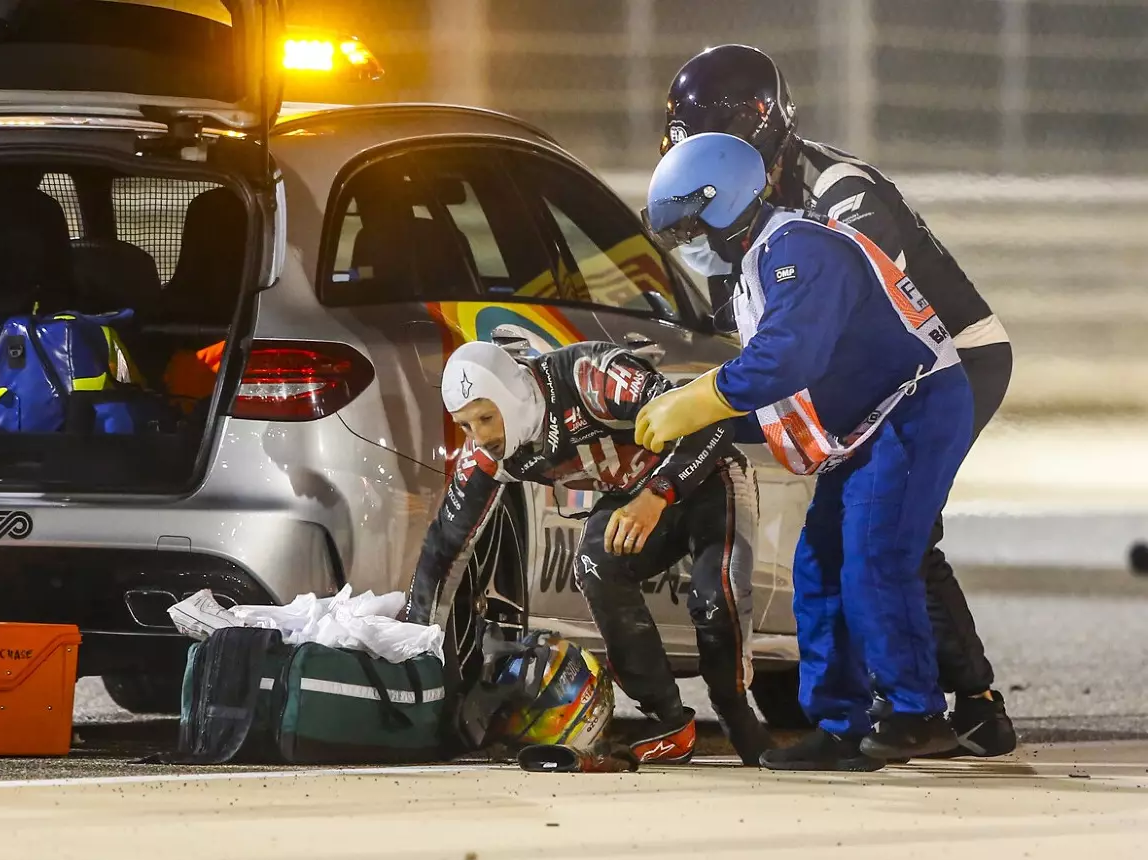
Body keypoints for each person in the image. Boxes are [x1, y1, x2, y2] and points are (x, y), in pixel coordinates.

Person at [656, 44, 1016, 759]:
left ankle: (942, 703)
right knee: (850, 539)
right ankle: (879, 711)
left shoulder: (838, 192)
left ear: (749, 128)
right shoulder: (743, 207)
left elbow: (854, 320)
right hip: (877, 373)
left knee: (892, 532)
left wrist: (724, 397)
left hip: (945, 358)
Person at [403, 339, 772, 766]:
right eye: (466, 426)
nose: (482, 437)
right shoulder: (488, 454)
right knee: (595, 562)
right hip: (635, 496)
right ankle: (668, 720)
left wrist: (657, 494)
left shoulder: (589, 377)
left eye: (487, 417)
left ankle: (738, 719)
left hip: (709, 476)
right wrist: (414, 647)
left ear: (513, 395)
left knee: (715, 598)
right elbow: (444, 548)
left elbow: (711, 423)